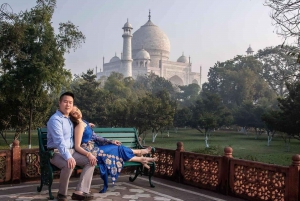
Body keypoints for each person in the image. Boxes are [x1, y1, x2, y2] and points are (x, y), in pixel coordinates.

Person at [69, 106, 157, 193]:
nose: (77, 112)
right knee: (115, 149)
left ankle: (141, 158)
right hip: (90, 152)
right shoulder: (79, 126)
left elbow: (95, 137)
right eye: (74, 113)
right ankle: (140, 154)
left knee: (116, 147)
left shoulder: (84, 122)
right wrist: (89, 154)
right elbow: (77, 146)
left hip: (95, 149)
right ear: (72, 116)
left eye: (77, 109)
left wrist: (110, 141)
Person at [47, 92, 94, 201]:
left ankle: (80, 191)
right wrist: (68, 157)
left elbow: (80, 122)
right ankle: (62, 194)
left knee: (91, 160)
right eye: (65, 102)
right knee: (69, 164)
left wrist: (88, 124)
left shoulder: (69, 119)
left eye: (70, 103)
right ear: (59, 103)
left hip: (72, 151)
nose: (68, 105)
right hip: (55, 153)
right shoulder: (55, 120)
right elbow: (59, 142)